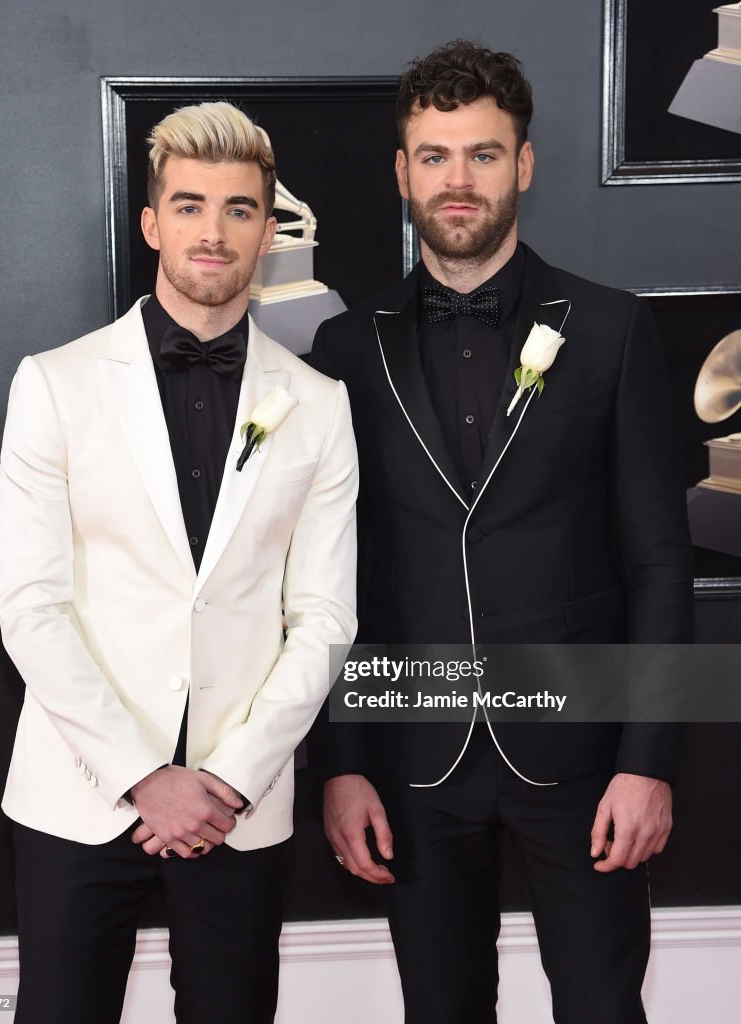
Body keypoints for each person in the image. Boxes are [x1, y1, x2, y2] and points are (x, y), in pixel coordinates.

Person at [309, 40, 692, 1024]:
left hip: (581, 760)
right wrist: (345, 761)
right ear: (401, 173)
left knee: (603, 1006)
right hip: (411, 762)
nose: (457, 179)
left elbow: (657, 560)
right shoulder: (347, 347)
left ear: (521, 164)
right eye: (433, 156)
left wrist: (646, 758)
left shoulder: (609, 328)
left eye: (482, 154)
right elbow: (332, 576)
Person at [0, 101, 358, 1024]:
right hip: (80, 794)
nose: (213, 230)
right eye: (189, 205)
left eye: (239, 209)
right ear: (153, 223)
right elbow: (30, 606)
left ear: (267, 232)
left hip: (239, 803)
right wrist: (142, 777)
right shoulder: (54, 382)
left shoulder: (318, 406)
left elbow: (323, 618)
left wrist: (227, 778)